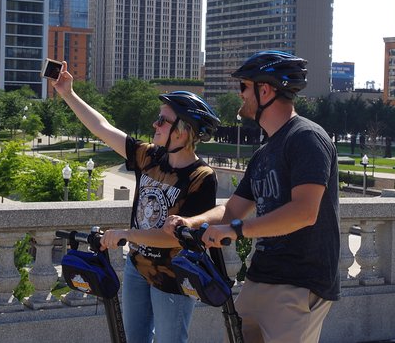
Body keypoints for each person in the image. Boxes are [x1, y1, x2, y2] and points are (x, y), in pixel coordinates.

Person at [165, 51, 340, 343]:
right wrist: (191, 222)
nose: (240, 95)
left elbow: (304, 212)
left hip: (300, 281)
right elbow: (232, 209)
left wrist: (237, 231)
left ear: (266, 90)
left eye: (244, 87)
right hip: (260, 277)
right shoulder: (264, 153)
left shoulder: (306, 138)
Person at [52, 62, 221, 343]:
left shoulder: (201, 177)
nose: (155, 124)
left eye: (163, 121)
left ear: (183, 130)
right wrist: (68, 93)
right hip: (136, 267)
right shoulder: (149, 156)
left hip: (174, 276)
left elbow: (177, 239)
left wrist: (126, 234)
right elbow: (102, 128)